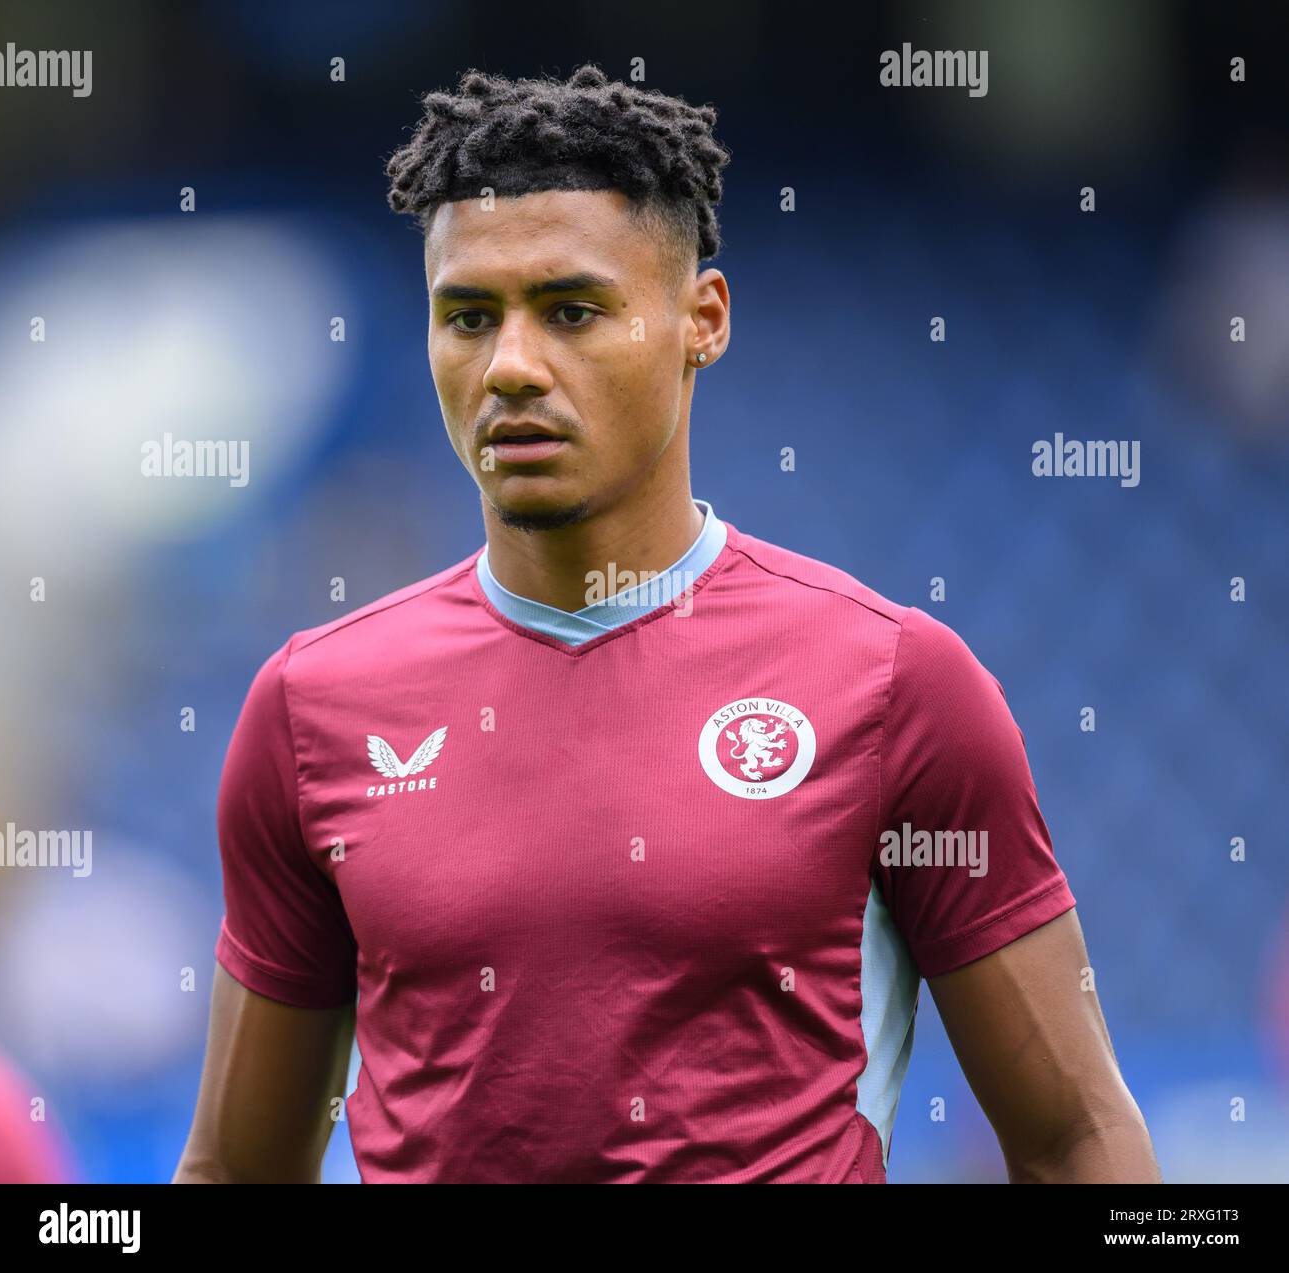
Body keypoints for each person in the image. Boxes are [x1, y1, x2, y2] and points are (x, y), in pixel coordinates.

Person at [175, 64, 1159, 1184]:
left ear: (702, 320)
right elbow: (231, 1170)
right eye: (468, 316)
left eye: (571, 310)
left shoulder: (894, 686)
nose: (509, 366)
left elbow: (1076, 1138)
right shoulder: (311, 709)